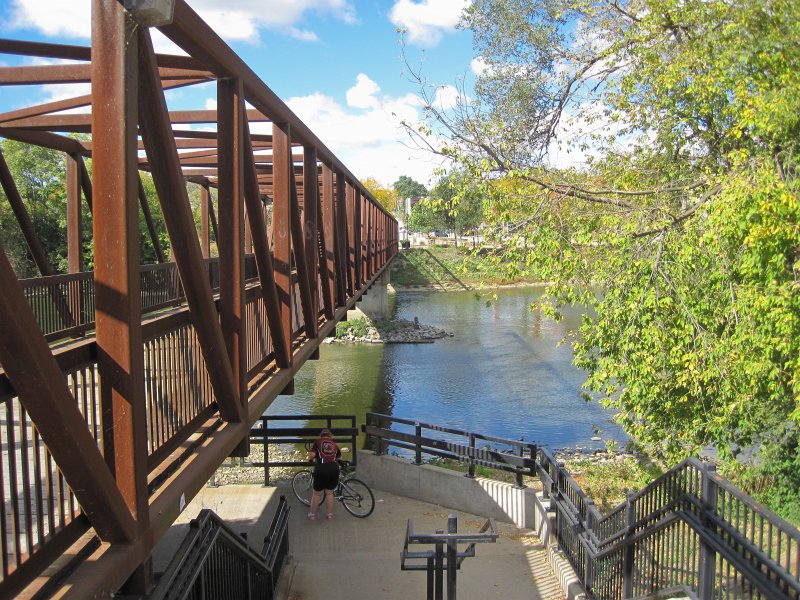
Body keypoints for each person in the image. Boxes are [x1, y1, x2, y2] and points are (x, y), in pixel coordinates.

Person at [307, 428, 342, 521]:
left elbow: (312, 455)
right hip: (334, 468)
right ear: (330, 436)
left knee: (317, 494)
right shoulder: (334, 444)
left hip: (321, 468)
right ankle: (329, 514)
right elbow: (338, 457)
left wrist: (309, 459)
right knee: (330, 493)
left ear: (321, 436)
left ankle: (312, 515)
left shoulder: (318, 442)